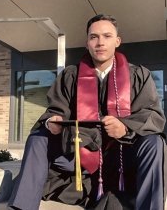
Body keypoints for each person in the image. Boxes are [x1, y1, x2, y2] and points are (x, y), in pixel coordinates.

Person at [9, 14, 166, 210]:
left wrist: (125, 127)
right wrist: (52, 122)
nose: (100, 42)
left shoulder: (138, 75)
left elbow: (153, 116)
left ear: (117, 41)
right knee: (39, 138)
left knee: (154, 143)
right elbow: (55, 110)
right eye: (94, 37)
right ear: (87, 43)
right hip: (79, 156)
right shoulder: (70, 76)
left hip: (123, 155)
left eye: (107, 36)